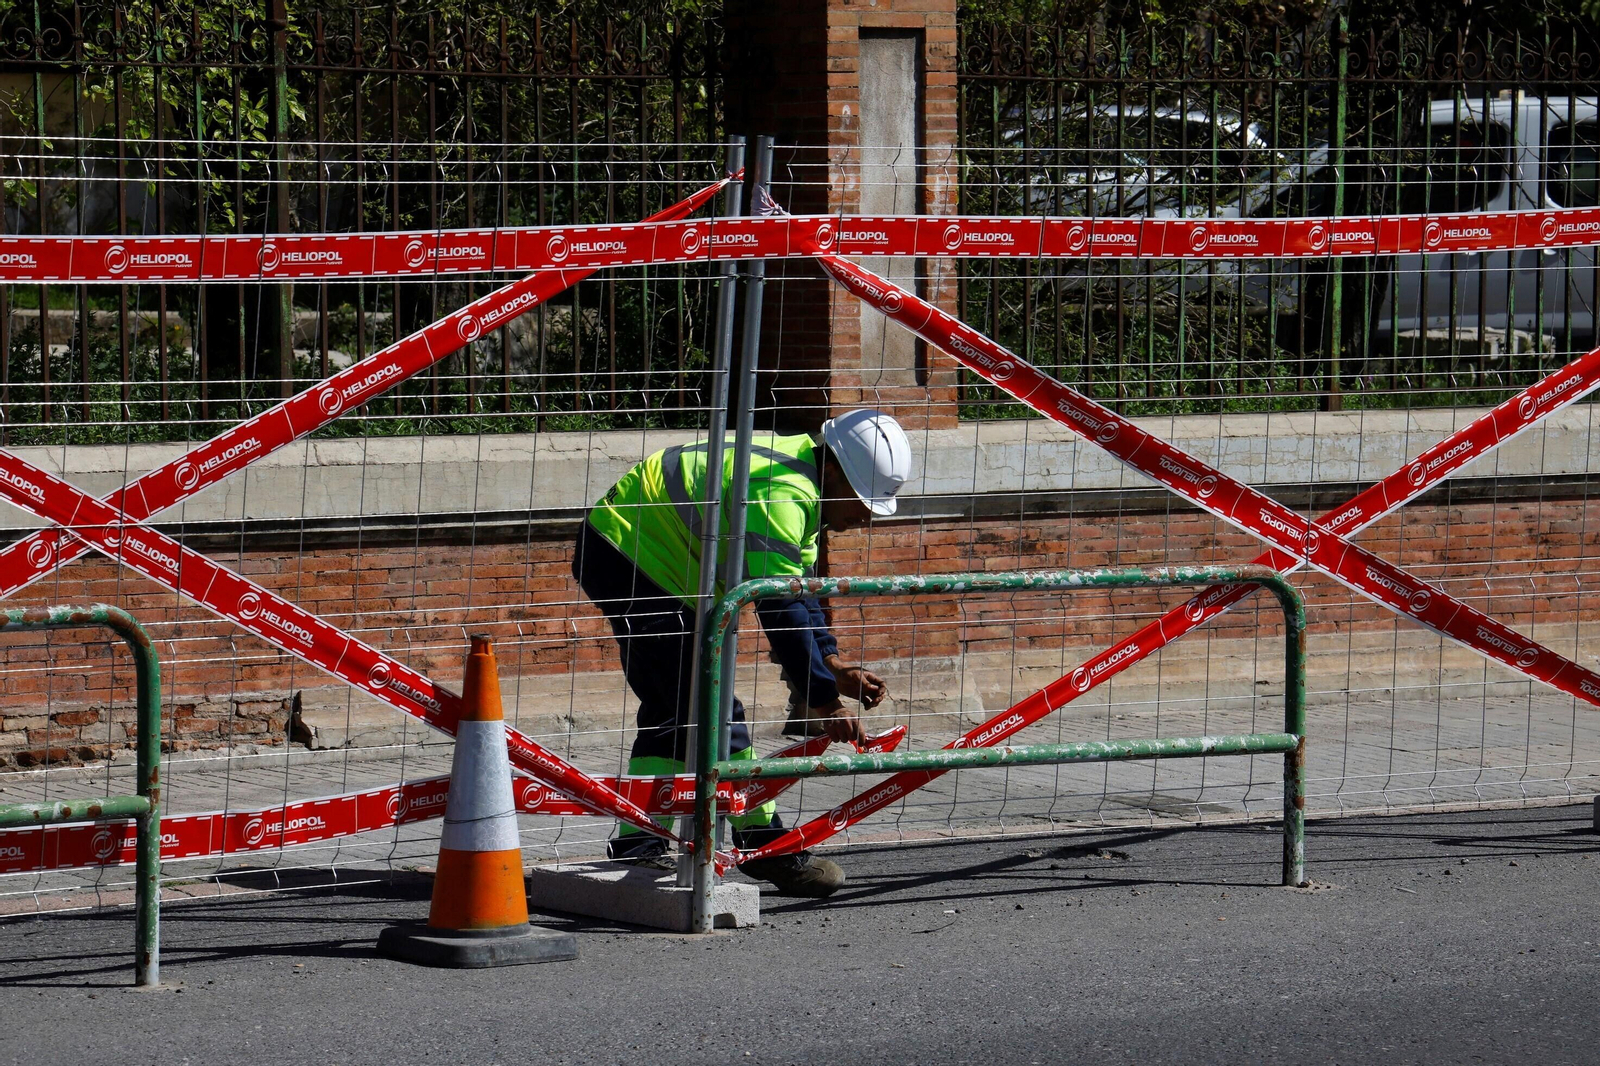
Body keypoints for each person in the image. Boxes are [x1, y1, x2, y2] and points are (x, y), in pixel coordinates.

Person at [571, 409, 913, 897]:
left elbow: (798, 589)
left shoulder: (803, 480)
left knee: (676, 707)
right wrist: (823, 699)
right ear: (833, 470)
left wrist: (831, 663)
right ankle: (764, 842)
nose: (864, 516)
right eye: (862, 499)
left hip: (646, 557)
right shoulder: (782, 494)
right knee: (708, 706)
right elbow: (780, 609)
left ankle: (638, 839)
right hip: (629, 557)